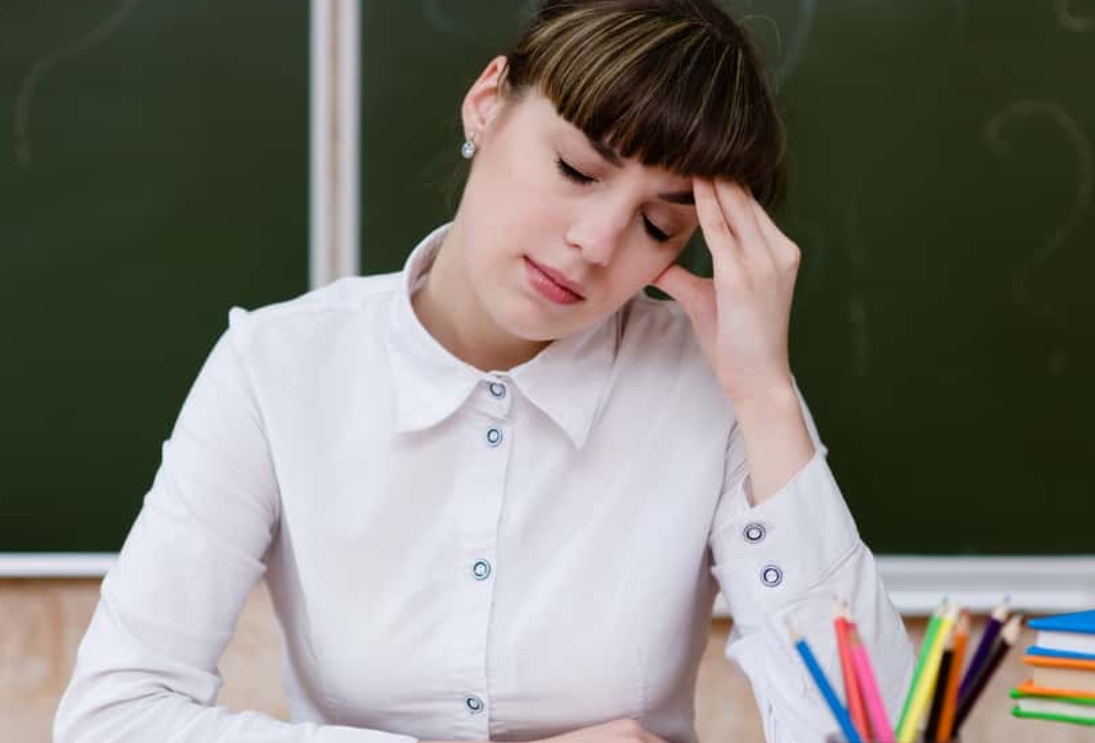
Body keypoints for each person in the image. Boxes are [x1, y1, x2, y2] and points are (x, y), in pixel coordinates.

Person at [54, 1, 914, 742]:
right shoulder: (277, 367)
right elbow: (114, 715)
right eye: (577, 170)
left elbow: (871, 731)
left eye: (658, 224)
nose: (597, 243)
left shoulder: (717, 384)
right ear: (486, 104)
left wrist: (765, 394)